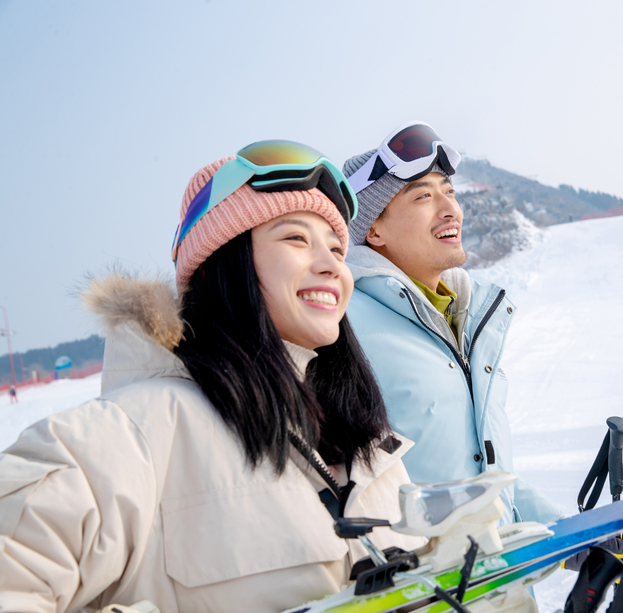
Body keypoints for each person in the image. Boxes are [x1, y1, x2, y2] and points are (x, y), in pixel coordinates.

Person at [0, 141, 425, 613]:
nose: (332, 266)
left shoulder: (371, 447)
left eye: (335, 247)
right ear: (225, 263)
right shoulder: (131, 434)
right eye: (296, 239)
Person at [341, 122, 562, 527]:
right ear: (373, 229)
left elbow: (487, 479)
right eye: (423, 195)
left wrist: (574, 540)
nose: (449, 209)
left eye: (449, 191)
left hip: (491, 579)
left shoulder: (463, 318)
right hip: (425, 583)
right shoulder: (343, 324)